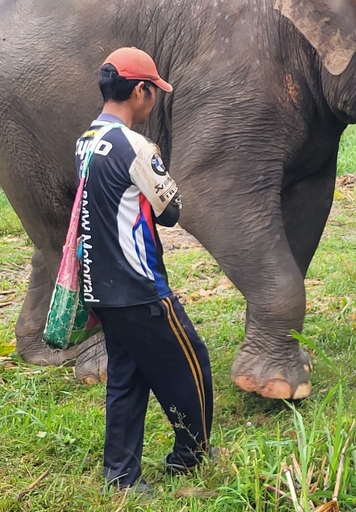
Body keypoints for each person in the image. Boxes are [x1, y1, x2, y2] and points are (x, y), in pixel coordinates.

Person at [76, 47, 214, 495]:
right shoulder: (134, 146)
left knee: (127, 379)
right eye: (153, 91)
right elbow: (170, 210)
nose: (154, 99)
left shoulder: (85, 141)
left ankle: (121, 477)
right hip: (140, 288)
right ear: (140, 91)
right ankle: (190, 456)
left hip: (102, 288)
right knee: (192, 363)